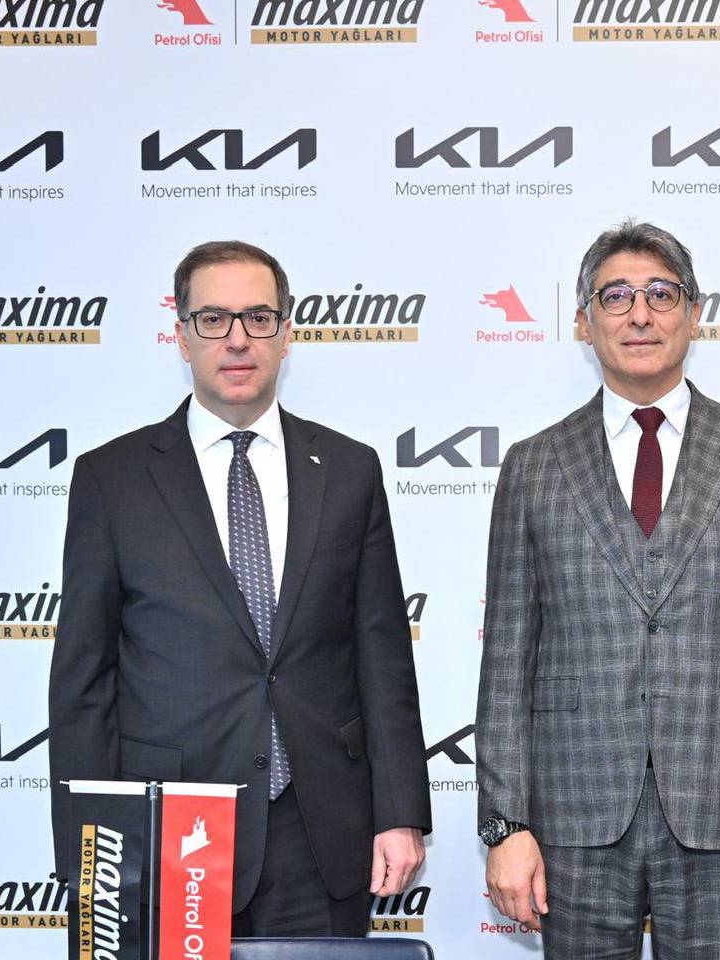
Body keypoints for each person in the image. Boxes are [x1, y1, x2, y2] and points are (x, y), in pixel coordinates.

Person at [48, 240, 430, 936]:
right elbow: (83, 680)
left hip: (321, 831)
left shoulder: (350, 469)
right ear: (181, 335)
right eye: (213, 319)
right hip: (170, 834)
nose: (236, 339)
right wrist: (94, 852)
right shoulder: (113, 478)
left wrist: (400, 812)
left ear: (286, 333)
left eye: (258, 317)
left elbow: (383, 659)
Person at [476, 220, 720, 959]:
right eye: (617, 297)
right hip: (571, 816)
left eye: (661, 295)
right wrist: (505, 826)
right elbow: (505, 663)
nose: (640, 314)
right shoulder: (533, 466)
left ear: (694, 314)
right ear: (584, 321)